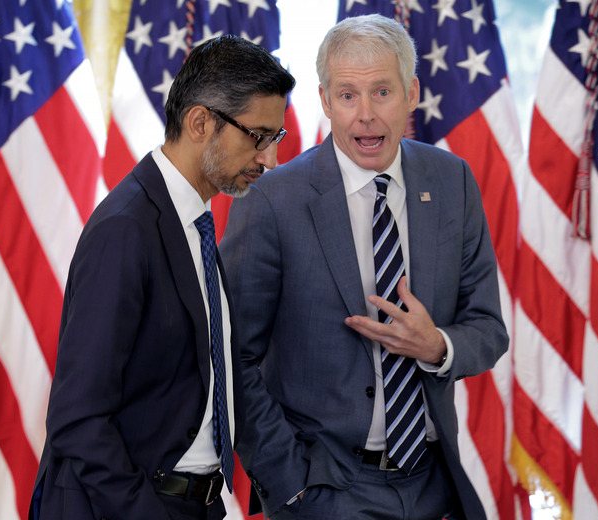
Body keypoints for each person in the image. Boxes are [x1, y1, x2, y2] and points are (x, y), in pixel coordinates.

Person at [219, 14, 508, 520]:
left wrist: (436, 346)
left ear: (412, 93)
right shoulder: (272, 200)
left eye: (382, 92)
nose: (366, 115)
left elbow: (488, 328)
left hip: (433, 482)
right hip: (325, 488)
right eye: (348, 95)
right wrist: (290, 486)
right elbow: (233, 359)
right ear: (326, 101)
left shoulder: (452, 180)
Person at [28, 35, 295, 520]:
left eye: (275, 139)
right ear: (200, 122)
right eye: (258, 136)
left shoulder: (196, 221)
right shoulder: (126, 228)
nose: (269, 160)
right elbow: (79, 418)